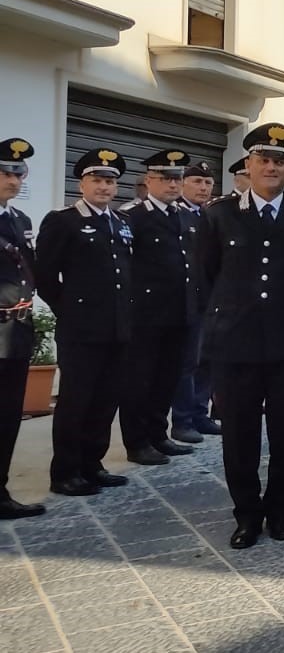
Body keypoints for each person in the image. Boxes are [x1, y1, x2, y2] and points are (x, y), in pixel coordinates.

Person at [199, 124, 284, 549]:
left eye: (281, 161)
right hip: (235, 347)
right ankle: (246, 515)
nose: (271, 167)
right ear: (249, 165)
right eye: (264, 159)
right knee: (239, 435)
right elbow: (204, 282)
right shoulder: (219, 215)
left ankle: (280, 512)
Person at [35, 148, 135, 498]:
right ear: (82, 183)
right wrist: (69, 310)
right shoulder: (63, 221)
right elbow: (44, 275)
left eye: (110, 181)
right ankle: (65, 471)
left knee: (106, 400)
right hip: (81, 330)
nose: (104, 187)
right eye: (97, 180)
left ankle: (93, 463)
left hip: (118, 328)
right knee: (76, 400)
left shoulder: (120, 222)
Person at [120, 150, 203, 467]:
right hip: (145, 314)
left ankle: (158, 433)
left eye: (177, 179)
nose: (172, 184)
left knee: (168, 377)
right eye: (165, 178)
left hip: (179, 311)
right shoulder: (133, 217)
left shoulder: (184, 216)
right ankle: (137, 441)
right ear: (148, 180)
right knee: (140, 380)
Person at [0, 138, 44, 519]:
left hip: (16, 330)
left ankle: (0, 490)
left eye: (19, 172)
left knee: (8, 413)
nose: (13, 179)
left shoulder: (19, 220)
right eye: (5, 172)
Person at [171, 161, 220, 443]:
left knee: (208, 360)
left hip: (213, 300)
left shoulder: (212, 215)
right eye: (197, 182)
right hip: (186, 302)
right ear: (183, 184)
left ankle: (201, 414)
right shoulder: (175, 214)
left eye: (208, 183)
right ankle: (183, 420)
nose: (203, 188)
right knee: (187, 363)